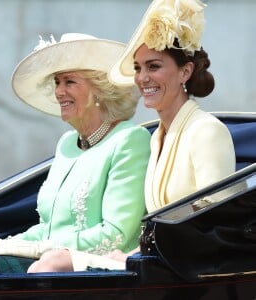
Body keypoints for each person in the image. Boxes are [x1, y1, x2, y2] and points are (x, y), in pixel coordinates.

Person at [27, 0, 236, 273]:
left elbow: (213, 224)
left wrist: (134, 255)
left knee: (53, 264)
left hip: (187, 269)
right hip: (155, 261)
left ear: (185, 71)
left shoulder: (206, 131)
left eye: (154, 66)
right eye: (138, 68)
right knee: (47, 262)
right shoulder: (156, 136)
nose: (143, 78)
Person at [0, 33, 151, 273]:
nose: (59, 92)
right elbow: (49, 227)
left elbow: (115, 234)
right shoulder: (67, 144)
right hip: (47, 260)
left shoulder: (130, 140)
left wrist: (40, 248)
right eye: (57, 82)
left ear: (100, 90)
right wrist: (10, 242)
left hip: (92, 269)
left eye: (69, 82)